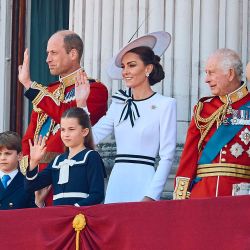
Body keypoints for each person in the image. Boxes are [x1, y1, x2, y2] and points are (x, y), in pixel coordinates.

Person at [76, 31, 177, 203]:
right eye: (123, 67)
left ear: (148, 69)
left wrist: (152, 195)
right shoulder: (118, 103)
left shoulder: (165, 104)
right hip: (117, 182)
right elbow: (92, 138)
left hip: (145, 182)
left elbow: (167, 156)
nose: (125, 71)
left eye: (131, 65)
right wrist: (82, 104)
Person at [18, 30, 108, 205]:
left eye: (53, 53)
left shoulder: (95, 89)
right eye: (47, 53)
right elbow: (30, 138)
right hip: (37, 179)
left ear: (73, 53)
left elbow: (68, 116)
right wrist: (33, 168)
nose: (47, 59)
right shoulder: (47, 92)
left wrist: (29, 85)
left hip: (70, 178)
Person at [173, 48, 250, 199]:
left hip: (241, 199)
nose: (206, 79)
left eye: (212, 72)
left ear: (230, 74)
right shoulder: (203, 109)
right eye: (206, 73)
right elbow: (189, 158)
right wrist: (180, 199)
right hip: (202, 197)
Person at [25, 107, 106, 206]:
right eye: (63, 130)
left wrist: (74, 209)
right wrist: (33, 162)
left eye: (71, 129)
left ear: (84, 131)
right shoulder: (57, 161)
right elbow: (31, 186)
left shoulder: (91, 157)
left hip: (81, 217)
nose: (66, 134)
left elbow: (97, 195)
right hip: (58, 216)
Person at [0, 131, 36, 210]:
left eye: (7, 153)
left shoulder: (28, 184)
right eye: (0, 154)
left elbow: (34, 216)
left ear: (19, 156)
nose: (2, 158)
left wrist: (39, 201)